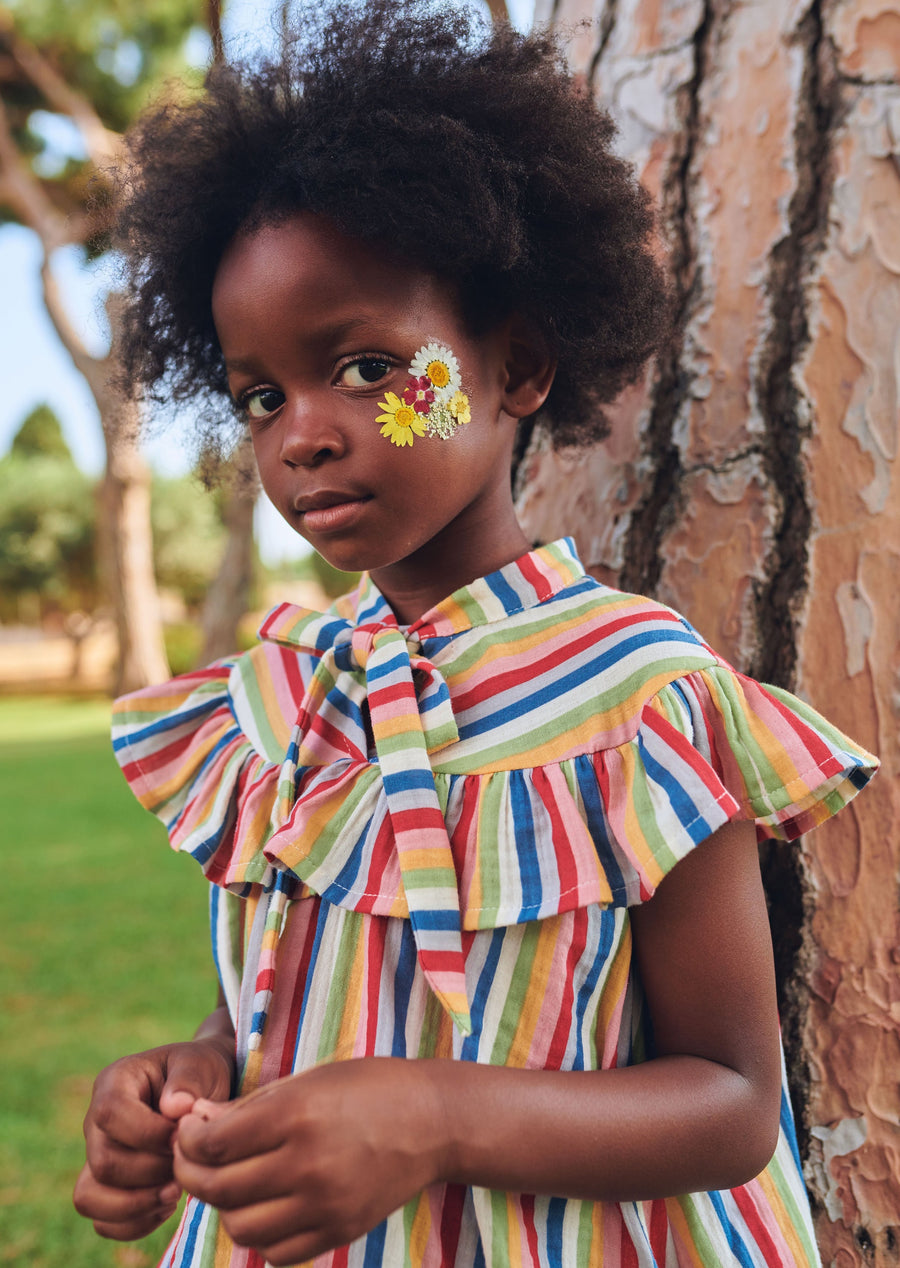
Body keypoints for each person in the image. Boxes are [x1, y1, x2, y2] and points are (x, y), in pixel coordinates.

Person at [73, 3, 878, 1265]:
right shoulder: (287, 705)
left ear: (518, 368)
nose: (302, 432)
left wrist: (439, 1116)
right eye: (262, 393)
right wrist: (198, 1070)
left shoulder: (637, 698)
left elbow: (728, 1097)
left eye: (370, 367)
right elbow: (306, 982)